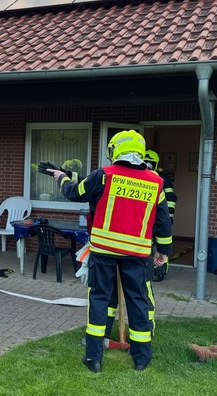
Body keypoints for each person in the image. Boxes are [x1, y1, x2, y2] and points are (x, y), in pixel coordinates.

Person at [50, 130, 172, 373]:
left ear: (115, 150)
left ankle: (94, 358)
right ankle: (141, 358)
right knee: (138, 302)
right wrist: (164, 251)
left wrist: (61, 177)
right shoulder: (156, 182)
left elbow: (75, 192)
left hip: (104, 250)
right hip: (138, 254)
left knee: (99, 299)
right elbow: (163, 222)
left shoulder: (104, 175)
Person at [144, 149, 178, 282]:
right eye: (145, 163)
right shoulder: (141, 177)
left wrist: (168, 217)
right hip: (146, 217)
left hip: (160, 217)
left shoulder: (164, 179)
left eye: (150, 164)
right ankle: (147, 268)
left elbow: (171, 198)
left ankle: (160, 270)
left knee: (162, 243)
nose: (148, 166)